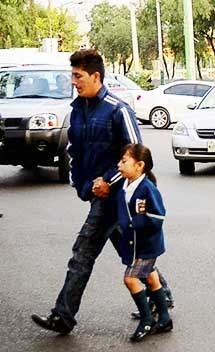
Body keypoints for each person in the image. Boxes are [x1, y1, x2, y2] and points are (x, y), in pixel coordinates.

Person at [32, 49, 173, 334]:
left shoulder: (117, 109)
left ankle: (63, 316)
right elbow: (73, 153)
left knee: (82, 253)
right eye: (72, 76)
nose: (74, 82)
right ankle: (162, 297)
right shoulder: (77, 111)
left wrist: (109, 181)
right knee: (133, 253)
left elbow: (138, 157)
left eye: (78, 76)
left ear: (95, 76)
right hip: (97, 195)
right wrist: (85, 186)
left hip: (119, 197)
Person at [116, 144, 171, 342]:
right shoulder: (125, 185)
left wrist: (134, 224)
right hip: (135, 244)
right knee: (150, 276)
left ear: (139, 165)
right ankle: (164, 318)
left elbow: (157, 216)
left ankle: (147, 320)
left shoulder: (148, 189)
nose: (119, 165)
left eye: (124, 161)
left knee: (130, 279)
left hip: (147, 244)